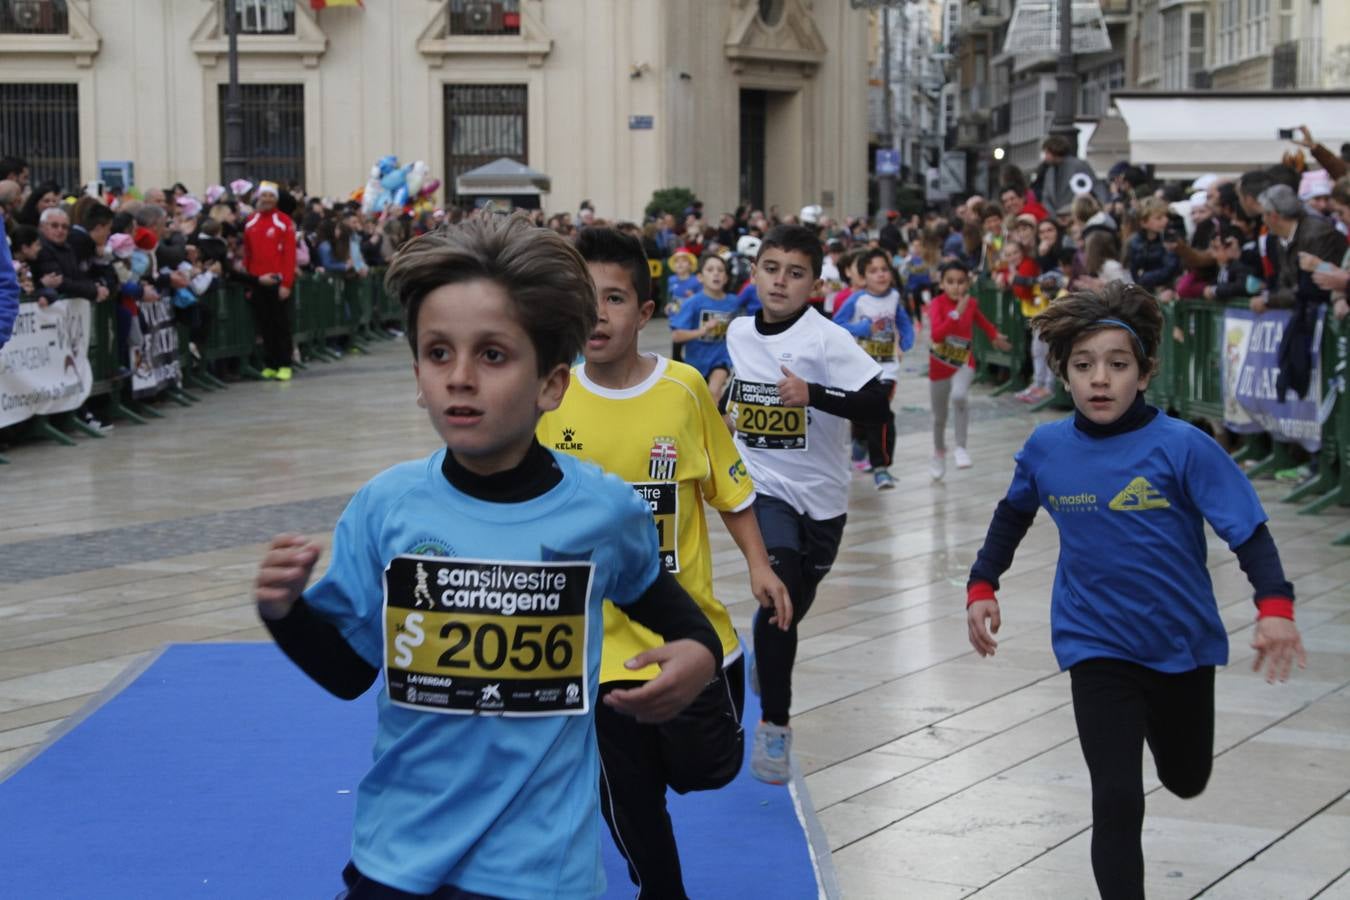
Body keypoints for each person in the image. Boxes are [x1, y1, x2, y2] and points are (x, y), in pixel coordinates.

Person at [253, 214, 720, 900]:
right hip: (398, 857)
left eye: (493, 355)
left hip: (542, 871)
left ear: (552, 384)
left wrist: (698, 658)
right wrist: (284, 611)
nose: (460, 378)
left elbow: (682, 620)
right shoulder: (386, 507)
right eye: (439, 353)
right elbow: (351, 672)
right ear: (417, 374)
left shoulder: (605, 511)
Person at [965, 282, 1306, 900]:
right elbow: (1012, 513)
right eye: (1084, 365)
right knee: (1117, 796)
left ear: (1145, 373)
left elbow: (1247, 531)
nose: (1101, 379)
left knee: (1185, 777)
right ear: (1063, 374)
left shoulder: (1182, 446)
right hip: (1094, 644)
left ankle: (1168, 733)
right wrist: (983, 584)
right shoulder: (1047, 449)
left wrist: (1275, 608)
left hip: (1181, 643)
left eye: (1118, 365)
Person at [538, 227, 789, 899]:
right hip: (595, 648)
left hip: (690, 638)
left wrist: (760, 567)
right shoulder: (548, 398)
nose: (597, 315)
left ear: (645, 313)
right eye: (583, 299)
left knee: (708, 769)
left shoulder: (682, 392)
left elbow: (729, 489)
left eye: (614, 298)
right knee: (629, 797)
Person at [724, 224, 891, 783]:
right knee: (781, 603)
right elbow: (737, 388)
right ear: (754, 274)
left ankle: (767, 653)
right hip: (763, 489)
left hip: (823, 502)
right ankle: (775, 727)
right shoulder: (740, 331)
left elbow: (876, 406)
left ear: (814, 284)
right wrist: (723, 403)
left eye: (795, 274)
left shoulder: (827, 339)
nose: (780, 281)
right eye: (771, 269)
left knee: (794, 600)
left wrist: (811, 394)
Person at [832, 246, 914, 489]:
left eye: (884, 270)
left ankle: (881, 467)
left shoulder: (895, 297)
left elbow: (903, 320)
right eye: (873, 271)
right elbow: (837, 324)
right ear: (863, 276)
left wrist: (907, 341)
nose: (880, 275)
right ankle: (859, 438)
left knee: (881, 412)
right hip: (862, 369)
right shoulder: (857, 299)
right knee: (864, 413)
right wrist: (863, 329)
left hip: (887, 368)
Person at [928, 260, 1011, 479]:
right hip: (940, 365)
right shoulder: (936, 304)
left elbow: (982, 322)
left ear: (968, 283)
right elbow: (936, 334)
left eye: (961, 282)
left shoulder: (971, 303)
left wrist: (994, 336)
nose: (956, 287)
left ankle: (961, 447)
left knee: (959, 396)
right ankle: (938, 451)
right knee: (939, 417)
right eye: (951, 282)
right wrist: (956, 313)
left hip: (964, 362)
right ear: (942, 284)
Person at [668, 252, 742, 402]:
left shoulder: (734, 302)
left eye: (720, 270)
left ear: (726, 277)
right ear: (700, 277)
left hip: (721, 359)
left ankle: (715, 424)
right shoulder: (693, 303)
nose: (716, 274)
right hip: (695, 362)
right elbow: (676, 336)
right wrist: (703, 330)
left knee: (714, 391)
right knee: (697, 401)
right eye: (710, 270)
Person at [242, 181, 297, 381]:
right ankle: (270, 363)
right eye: (264, 196)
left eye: (271, 196)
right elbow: (247, 255)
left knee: (280, 324)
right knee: (263, 324)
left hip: (277, 281)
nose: (266, 200)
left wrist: (286, 284)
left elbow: (290, 255)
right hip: (258, 282)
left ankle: (284, 363)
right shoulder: (250, 222)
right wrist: (250, 281)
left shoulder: (284, 221)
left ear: (276, 199)